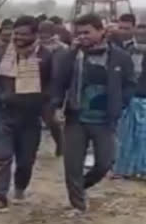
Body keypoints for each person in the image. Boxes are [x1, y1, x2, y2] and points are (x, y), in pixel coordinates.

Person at [52, 13, 137, 213]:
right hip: (76, 118)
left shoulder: (120, 58)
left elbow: (130, 84)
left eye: (87, 32)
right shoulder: (71, 56)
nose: (83, 36)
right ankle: (78, 206)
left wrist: (120, 103)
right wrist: (56, 106)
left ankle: (80, 187)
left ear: (101, 31)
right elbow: (58, 82)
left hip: (104, 121)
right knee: (72, 164)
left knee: (104, 163)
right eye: (79, 33)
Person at [0, 16, 55, 213]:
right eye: (16, 33)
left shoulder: (46, 57)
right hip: (4, 113)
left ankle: (20, 188)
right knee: (2, 156)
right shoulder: (2, 53)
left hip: (31, 117)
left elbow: (52, 85)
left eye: (24, 34)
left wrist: (41, 102)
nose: (19, 38)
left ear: (35, 35)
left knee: (25, 161)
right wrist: (1, 96)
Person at [113, 15, 146, 178]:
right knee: (126, 136)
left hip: (142, 98)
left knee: (142, 137)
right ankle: (124, 169)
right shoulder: (127, 49)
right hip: (130, 97)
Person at [38, 20, 67, 156]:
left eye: (46, 32)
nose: (43, 35)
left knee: (50, 119)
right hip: (35, 86)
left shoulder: (61, 48)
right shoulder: (34, 47)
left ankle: (60, 144)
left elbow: (61, 72)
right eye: (41, 31)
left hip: (52, 89)